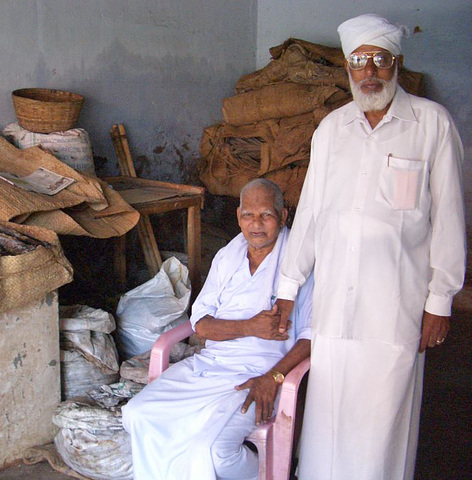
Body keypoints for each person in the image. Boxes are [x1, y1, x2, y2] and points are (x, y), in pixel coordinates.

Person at [275, 13, 466, 480]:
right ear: (347, 67)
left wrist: (440, 300)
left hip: (394, 306)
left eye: (380, 59)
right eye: (360, 61)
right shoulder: (331, 130)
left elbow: (449, 219)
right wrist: (288, 284)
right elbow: (311, 216)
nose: (370, 71)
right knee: (329, 424)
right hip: (336, 304)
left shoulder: (431, 124)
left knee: (383, 430)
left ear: (397, 63)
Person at [122, 178, 314, 480]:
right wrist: (251, 326)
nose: (257, 224)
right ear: (238, 216)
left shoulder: (301, 263)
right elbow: (201, 325)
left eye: (266, 214)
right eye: (248, 215)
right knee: (137, 414)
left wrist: (273, 377)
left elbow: (311, 337)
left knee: (214, 453)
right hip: (210, 367)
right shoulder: (228, 255)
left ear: (283, 216)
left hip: (260, 375)